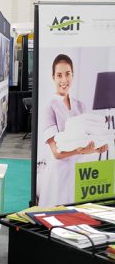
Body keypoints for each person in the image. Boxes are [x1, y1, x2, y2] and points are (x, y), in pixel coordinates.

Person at [38, 54, 108, 206]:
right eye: (59, 75)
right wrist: (80, 151)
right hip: (58, 175)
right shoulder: (49, 106)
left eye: (67, 74)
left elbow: (86, 140)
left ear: (73, 75)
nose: (64, 80)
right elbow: (56, 153)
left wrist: (97, 147)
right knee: (56, 215)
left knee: (76, 216)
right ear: (53, 77)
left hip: (78, 174)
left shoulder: (80, 106)